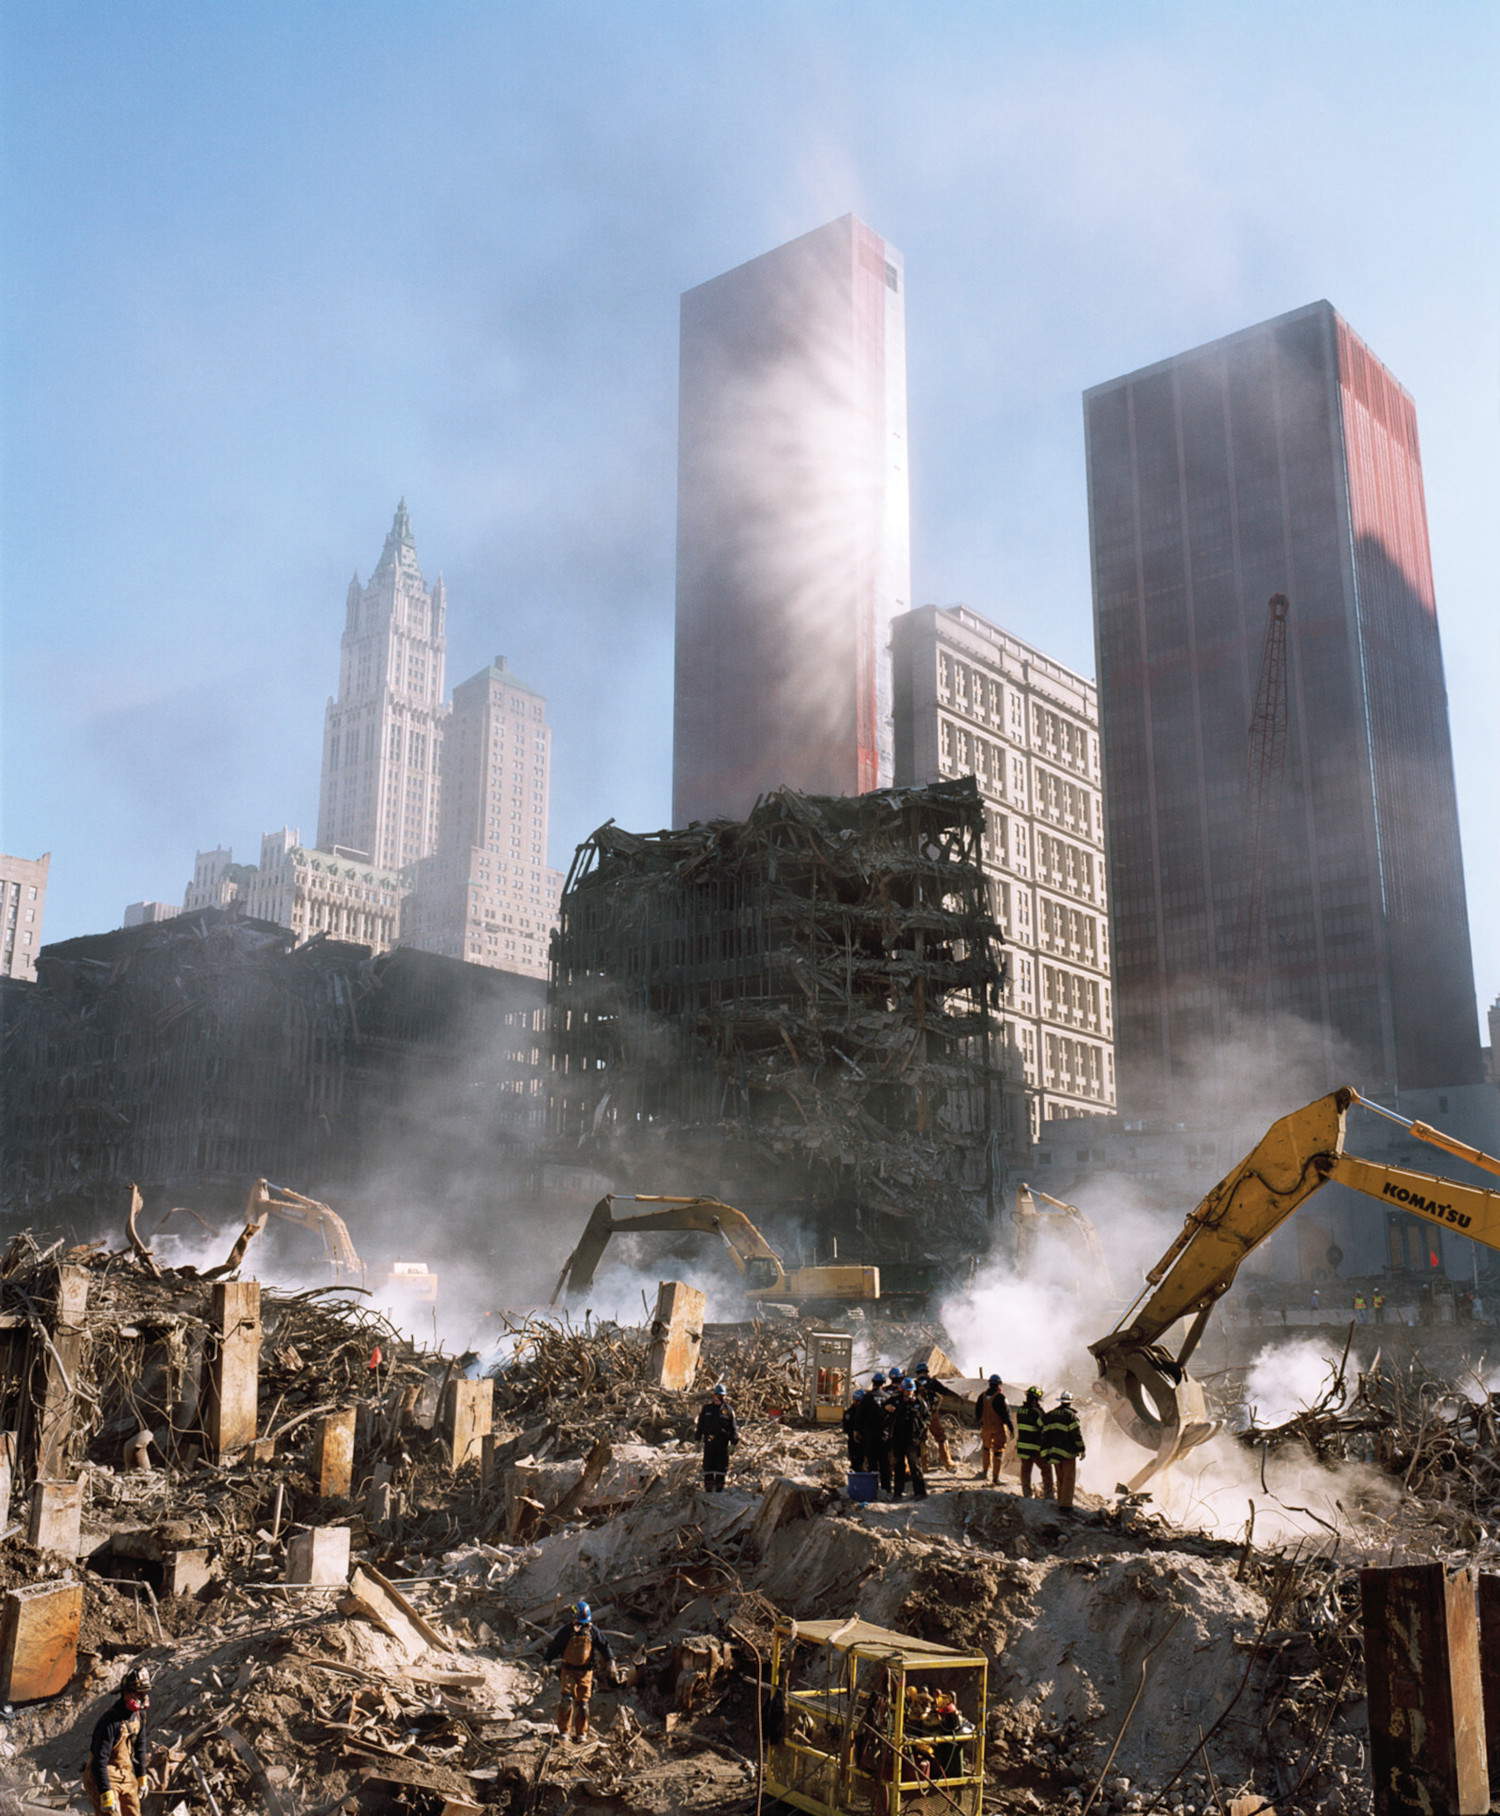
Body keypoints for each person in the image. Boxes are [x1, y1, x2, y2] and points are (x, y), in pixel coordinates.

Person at [544, 1601, 615, 1742]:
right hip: (568, 1670)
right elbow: (555, 1646)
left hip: (586, 1672)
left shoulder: (593, 1631)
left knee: (582, 1704)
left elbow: (604, 1646)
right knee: (566, 1701)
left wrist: (611, 1661)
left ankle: (582, 1733)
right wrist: (546, 1661)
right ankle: (564, 1732)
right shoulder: (566, 1631)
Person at [84, 1665, 151, 1816]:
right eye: (138, 1693)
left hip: (125, 1774)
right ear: (126, 1693)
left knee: (134, 1811)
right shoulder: (110, 1722)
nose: (142, 1697)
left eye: (144, 1693)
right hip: (104, 1774)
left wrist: (142, 1777)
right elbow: (99, 1760)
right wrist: (105, 1793)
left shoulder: (140, 1716)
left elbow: (140, 1748)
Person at [1042, 1390, 1086, 1508]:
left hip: (1054, 1452)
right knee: (1069, 1478)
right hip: (1068, 1453)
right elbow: (1076, 1434)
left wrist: (1045, 1451)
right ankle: (1066, 1505)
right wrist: (1082, 1448)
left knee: (1060, 1477)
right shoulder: (1071, 1416)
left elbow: (1044, 1432)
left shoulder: (1051, 1414)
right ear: (1070, 1403)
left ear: (1061, 1402)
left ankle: (1060, 1500)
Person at [696, 1382, 740, 1492]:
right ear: (714, 1395)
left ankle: (720, 1487)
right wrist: (697, 1439)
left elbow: (733, 1427)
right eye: (718, 1395)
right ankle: (709, 1487)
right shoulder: (707, 1409)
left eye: (722, 1396)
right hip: (709, 1441)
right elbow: (700, 1425)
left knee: (721, 1466)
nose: (720, 1398)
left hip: (722, 1442)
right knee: (708, 1465)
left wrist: (734, 1443)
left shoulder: (728, 1410)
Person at [889, 1381, 929, 1499]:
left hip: (913, 1439)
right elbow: (885, 1408)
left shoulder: (919, 1402)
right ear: (902, 1390)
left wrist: (923, 1427)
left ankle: (920, 1492)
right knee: (899, 1466)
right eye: (907, 1390)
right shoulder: (896, 1400)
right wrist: (887, 1408)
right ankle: (897, 1493)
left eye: (910, 1390)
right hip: (898, 1438)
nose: (909, 1393)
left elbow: (927, 1417)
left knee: (915, 1466)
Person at [912, 1364, 953, 1469]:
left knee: (921, 1439)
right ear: (927, 1371)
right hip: (931, 1414)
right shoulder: (932, 1382)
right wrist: (958, 1397)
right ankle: (947, 1462)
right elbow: (944, 1391)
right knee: (940, 1437)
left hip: (919, 1416)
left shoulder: (914, 1384)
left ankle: (924, 1465)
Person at [1014, 1386, 1053, 1499]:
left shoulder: (1020, 1410)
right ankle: (1049, 1495)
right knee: (1046, 1470)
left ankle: (1027, 1494)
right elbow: (1043, 1427)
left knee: (1025, 1471)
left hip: (1023, 1447)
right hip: (1035, 1448)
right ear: (1036, 1400)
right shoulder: (1036, 1412)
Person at [974, 1374, 1012, 1484]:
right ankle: (996, 1478)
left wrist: (980, 1424)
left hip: (985, 1428)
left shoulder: (982, 1396)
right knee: (998, 1452)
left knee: (986, 1449)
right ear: (999, 1384)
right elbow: (1006, 1415)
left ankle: (984, 1473)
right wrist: (1011, 1428)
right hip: (998, 1429)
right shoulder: (1001, 1397)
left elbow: (977, 1412)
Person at [842, 1389, 868, 1472]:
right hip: (854, 1441)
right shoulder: (849, 1413)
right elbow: (846, 1427)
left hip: (865, 1441)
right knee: (855, 1462)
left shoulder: (867, 1412)